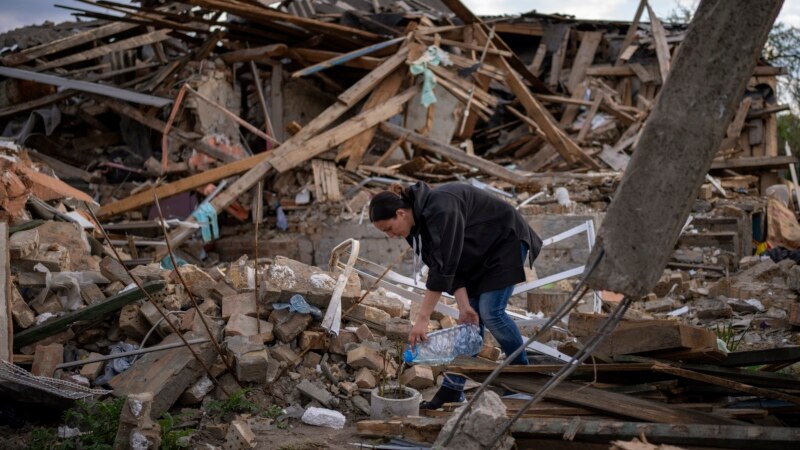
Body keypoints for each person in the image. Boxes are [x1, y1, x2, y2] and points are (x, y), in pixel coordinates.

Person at [369, 181, 542, 409]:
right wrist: (463, 306)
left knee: (491, 311)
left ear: (400, 213)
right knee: (470, 322)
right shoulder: (414, 229)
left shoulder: (442, 207)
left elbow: (443, 269)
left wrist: (421, 319)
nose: (391, 235)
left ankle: (524, 380)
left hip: (504, 240)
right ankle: (452, 390)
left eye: (389, 229)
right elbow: (446, 264)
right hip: (476, 253)